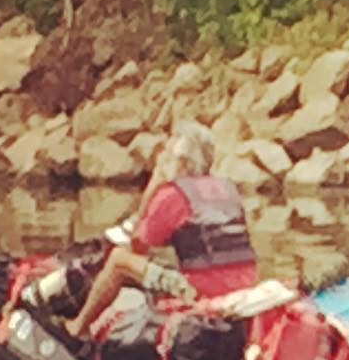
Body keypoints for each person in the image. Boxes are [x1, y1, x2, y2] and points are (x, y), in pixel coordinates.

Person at [64, 121, 258, 338]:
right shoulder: (227, 189)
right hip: (245, 284)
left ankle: (77, 327)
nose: (162, 159)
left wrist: (154, 186)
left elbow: (138, 246)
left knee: (119, 260)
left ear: (181, 161)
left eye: (167, 153)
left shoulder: (173, 194)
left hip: (204, 292)